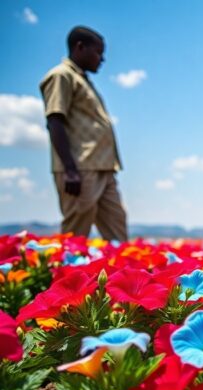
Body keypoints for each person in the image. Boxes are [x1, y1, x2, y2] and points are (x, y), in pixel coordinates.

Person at [40, 26, 127, 242]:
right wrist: (70, 169)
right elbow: (55, 119)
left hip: (103, 166)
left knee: (117, 230)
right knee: (76, 232)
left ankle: (121, 264)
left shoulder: (83, 81)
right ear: (80, 47)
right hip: (80, 167)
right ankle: (66, 264)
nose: (102, 59)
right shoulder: (61, 76)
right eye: (98, 52)